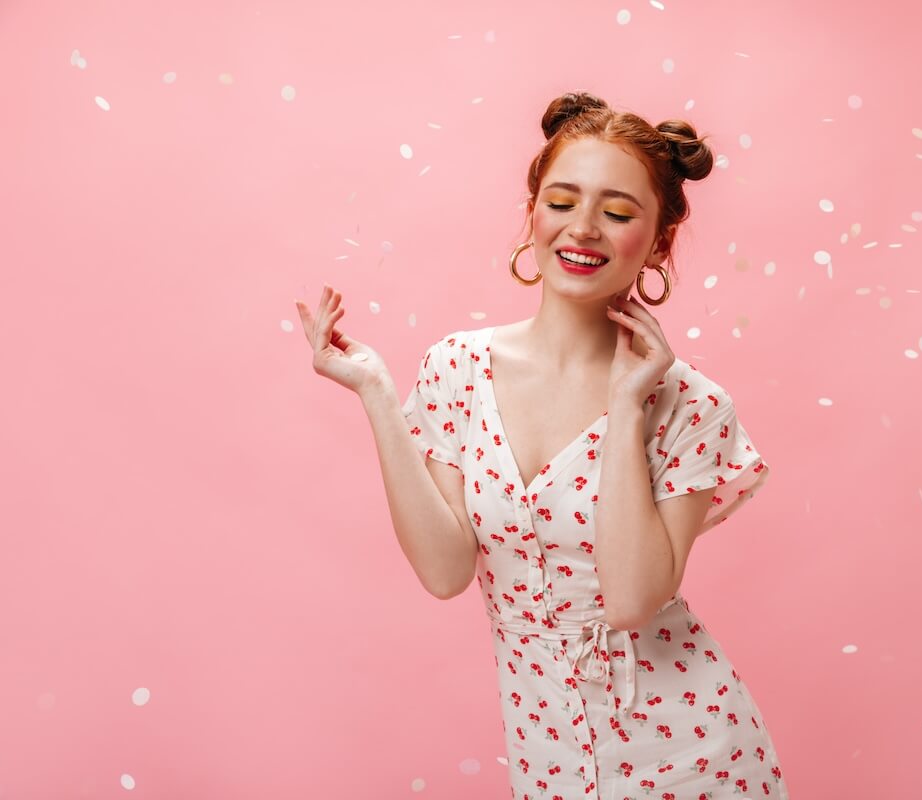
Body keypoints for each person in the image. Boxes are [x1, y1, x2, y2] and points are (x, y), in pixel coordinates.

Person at [296, 91, 788, 799]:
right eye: (561, 201)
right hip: (547, 751)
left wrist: (626, 405)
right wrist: (375, 390)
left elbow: (631, 602)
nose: (583, 229)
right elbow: (444, 572)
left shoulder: (692, 406)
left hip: (691, 754)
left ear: (657, 241)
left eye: (618, 213)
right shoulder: (456, 370)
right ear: (532, 211)